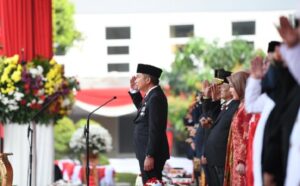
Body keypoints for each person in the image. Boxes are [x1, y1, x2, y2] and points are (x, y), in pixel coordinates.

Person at [129, 63, 170, 184]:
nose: (136, 80)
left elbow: (155, 128)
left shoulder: (156, 97)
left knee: (152, 182)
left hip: (152, 154)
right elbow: (143, 111)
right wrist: (134, 91)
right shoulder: (151, 95)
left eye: (139, 77)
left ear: (147, 80)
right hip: (146, 151)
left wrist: (150, 155)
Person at [223, 71, 252, 186]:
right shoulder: (241, 105)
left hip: (241, 160)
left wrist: (241, 160)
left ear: (240, 86)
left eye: (232, 87)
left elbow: (246, 135)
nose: (230, 90)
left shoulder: (247, 108)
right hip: (234, 156)